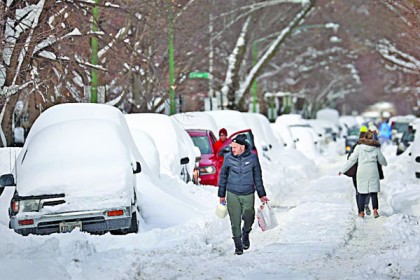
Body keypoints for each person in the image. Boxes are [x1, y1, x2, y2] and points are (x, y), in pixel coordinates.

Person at [218, 134, 269, 255]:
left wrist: (261, 194)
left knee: (249, 216)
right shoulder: (228, 158)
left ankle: (245, 233)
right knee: (234, 221)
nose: (232, 149)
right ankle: (238, 246)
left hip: (248, 193)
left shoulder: (252, 158)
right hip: (232, 193)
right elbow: (223, 176)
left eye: (235, 147)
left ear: (242, 147)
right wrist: (221, 194)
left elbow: (257, 177)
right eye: (232, 147)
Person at [339, 130, 387, 218]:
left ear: (364, 138)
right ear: (372, 138)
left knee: (362, 193)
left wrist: (342, 170)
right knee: (373, 193)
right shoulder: (376, 148)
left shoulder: (359, 148)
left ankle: (361, 213)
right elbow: (382, 161)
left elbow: (352, 160)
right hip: (373, 172)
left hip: (362, 172)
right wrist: (385, 163)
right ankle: (375, 211)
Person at [346, 125, 380, 215]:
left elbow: (349, 158)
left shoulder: (356, 146)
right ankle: (366, 205)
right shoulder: (373, 147)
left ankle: (360, 211)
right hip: (368, 171)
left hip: (356, 172)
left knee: (359, 191)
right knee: (369, 190)